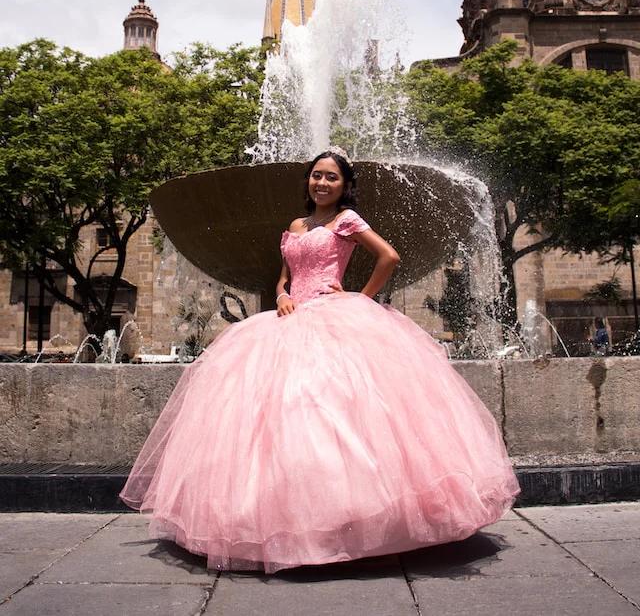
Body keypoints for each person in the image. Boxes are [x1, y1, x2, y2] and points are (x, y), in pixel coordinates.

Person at [120, 147, 520, 573]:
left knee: (334, 411)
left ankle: (357, 521)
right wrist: (281, 295)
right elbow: (285, 273)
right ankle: (288, 517)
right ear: (308, 181)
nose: (322, 183)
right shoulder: (296, 225)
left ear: (345, 185)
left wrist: (357, 299)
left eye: (331, 177)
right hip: (290, 317)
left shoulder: (346, 221)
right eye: (316, 176)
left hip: (334, 316)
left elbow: (389, 257)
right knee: (282, 412)